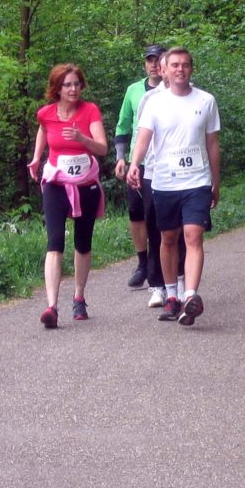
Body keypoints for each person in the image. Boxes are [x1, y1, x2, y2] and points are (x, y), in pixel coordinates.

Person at [127, 47, 220, 326]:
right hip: (165, 181)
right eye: (175, 65)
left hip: (197, 181)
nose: (181, 69)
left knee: (193, 235)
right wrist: (135, 164)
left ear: (192, 69)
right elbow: (143, 137)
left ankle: (190, 295)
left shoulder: (206, 100)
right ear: (164, 71)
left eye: (186, 65)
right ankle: (171, 295)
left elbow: (213, 144)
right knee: (168, 239)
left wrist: (216, 180)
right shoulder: (154, 103)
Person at [28, 63, 108, 328]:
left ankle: (79, 297)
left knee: (82, 243)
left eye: (76, 84)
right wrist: (37, 157)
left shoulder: (90, 111)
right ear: (57, 88)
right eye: (67, 85)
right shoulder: (46, 113)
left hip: (85, 184)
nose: (73, 89)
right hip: (56, 183)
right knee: (54, 242)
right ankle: (51, 306)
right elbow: (43, 129)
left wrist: (81, 138)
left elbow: (103, 148)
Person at [114, 45, 166, 297]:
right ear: (145, 63)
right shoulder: (134, 90)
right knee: (136, 212)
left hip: (164, 160)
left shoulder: (172, 90)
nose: (154, 64)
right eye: (150, 60)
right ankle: (142, 262)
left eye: (158, 60)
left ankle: (162, 268)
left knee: (155, 214)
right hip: (138, 159)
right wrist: (121, 158)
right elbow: (123, 124)